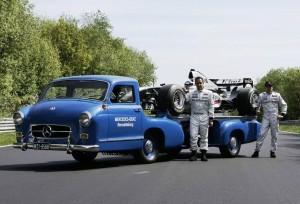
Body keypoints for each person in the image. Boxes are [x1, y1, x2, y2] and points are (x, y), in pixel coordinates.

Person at [252, 81, 287, 158]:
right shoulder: (261, 95)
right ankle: (257, 150)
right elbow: (256, 104)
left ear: (272, 87)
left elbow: (284, 104)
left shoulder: (277, 95)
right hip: (266, 117)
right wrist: (257, 109)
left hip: (275, 117)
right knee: (261, 134)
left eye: (270, 86)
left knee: (274, 135)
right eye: (267, 86)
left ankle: (273, 151)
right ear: (265, 87)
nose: (269, 88)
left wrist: (282, 114)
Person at [186, 76, 214, 161]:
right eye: (197, 83)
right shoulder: (191, 93)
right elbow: (184, 99)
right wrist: (182, 91)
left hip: (204, 116)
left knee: (204, 136)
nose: (199, 85)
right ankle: (194, 154)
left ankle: (203, 154)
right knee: (193, 136)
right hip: (194, 116)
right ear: (195, 84)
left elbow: (211, 106)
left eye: (200, 83)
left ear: (203, 83)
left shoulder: (209, 93)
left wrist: (211, 119)